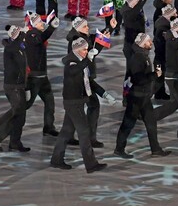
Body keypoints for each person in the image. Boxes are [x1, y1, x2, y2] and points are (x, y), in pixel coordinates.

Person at [50, 37, 107, 174]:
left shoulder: (81, 60)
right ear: (76, 49)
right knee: (84, 132)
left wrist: (104, 94)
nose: (86, 52)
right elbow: (74, 71)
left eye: (87, 49)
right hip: (74, 103)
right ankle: (91, 164)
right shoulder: (71, 62)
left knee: (66, 131)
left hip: (76, 102)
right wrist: (88, 59)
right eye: (84, 50)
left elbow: (87, 80)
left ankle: (56, 159)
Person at [115, 33, 171, 158]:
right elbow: (138, 79)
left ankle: (155, 149)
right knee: (128, 123)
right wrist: (154, 75)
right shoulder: (137, 58)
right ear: (142, 43)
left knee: (151, 122)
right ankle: (119, 148)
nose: (151, 42)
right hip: (136, 97)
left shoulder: (143, 55)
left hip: (144, 96)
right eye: (148, 41)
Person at [66, 16, 119, 147]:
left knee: (76, 110)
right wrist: (97, 48)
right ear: (78, 28)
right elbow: (92, 52)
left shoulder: (82, 36)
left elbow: (96, 39)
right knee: (92, 105)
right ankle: (89, 138)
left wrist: (109, 28)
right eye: (85, 26)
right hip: (82, 78)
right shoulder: (77, 40)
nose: (88, 27)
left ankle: (69, 136)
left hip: (84, 76)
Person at [0, 25, 29, 152]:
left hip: (19, 86)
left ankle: (15, 142)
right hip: (13, 87)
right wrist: (23, 34)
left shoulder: (18, 47)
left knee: (20, 116)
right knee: (18, 115)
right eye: (20, 35)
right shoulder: (11, 48)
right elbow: (17, 46)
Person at [23, 11, 60, 136]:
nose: (41, 23)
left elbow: (43, 37)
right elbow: (41, 38)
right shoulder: (31, 34)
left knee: (50, 101)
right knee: (25, 105)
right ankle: (3, 125)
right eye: (38, 22)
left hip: (42, 77)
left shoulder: (37, 33)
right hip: (34, 78)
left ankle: (49, 127)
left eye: (41, 21)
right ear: (33, 24)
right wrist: (52, 27)